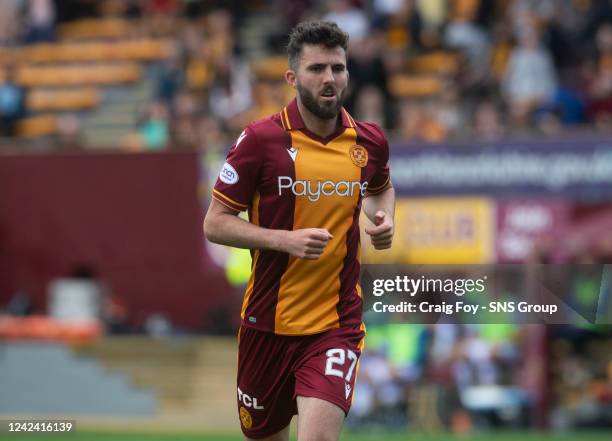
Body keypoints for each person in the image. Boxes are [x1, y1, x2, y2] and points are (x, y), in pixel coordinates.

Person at [204, 21, 395, 441]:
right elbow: (214, 223)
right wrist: (282, 240)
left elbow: (381, 188)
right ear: (292, 77)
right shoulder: (259, 141)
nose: (329, 78)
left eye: (338, 68)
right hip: (266, 326)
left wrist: (384, 220)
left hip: (335, 324)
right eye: (317, 69)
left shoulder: (369, 142)